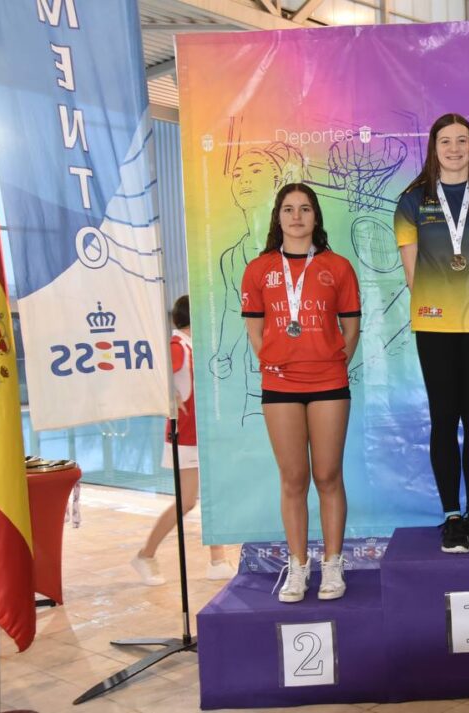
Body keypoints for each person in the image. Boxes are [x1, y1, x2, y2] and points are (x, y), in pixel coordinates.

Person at [393, 113, 469, 553]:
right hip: (435, 323)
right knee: (444, 417)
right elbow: (412, 275)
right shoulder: (412, 201)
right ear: (434, 147)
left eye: (462, 140)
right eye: (446, 141)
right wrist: (444, 304)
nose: (455, 149)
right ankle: (451, 516)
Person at [241, 183, 362, 601]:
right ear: (277, 217)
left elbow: (351, 328)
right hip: (280, 385)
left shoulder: (338, 267)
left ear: (316, 217)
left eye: (305, 209)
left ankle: (332, 565)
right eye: (289, 209)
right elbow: (255, 330)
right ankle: (297, 567)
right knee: (293, 478)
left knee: (327, 475)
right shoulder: (259, 269)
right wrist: (276, 361)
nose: (297, 216)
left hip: (329, 383)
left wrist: (331, 361)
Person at [131, 295, 236, 585]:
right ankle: (145, 555)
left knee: (212, 494)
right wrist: (168, 394)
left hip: (203, 434)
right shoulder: (177, 345)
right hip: (186, 435)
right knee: (187, 502)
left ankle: (218, 559)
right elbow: (151, 374)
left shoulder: (193, 345)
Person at [212, 143, 304, 423]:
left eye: (255, 170)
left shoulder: (304, 250)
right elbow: (234, 310)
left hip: (312, 375)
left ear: (277, 182)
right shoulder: (232, 258)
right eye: (238, 174)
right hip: (261, 380)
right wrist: (223, 354)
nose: (245, 180)